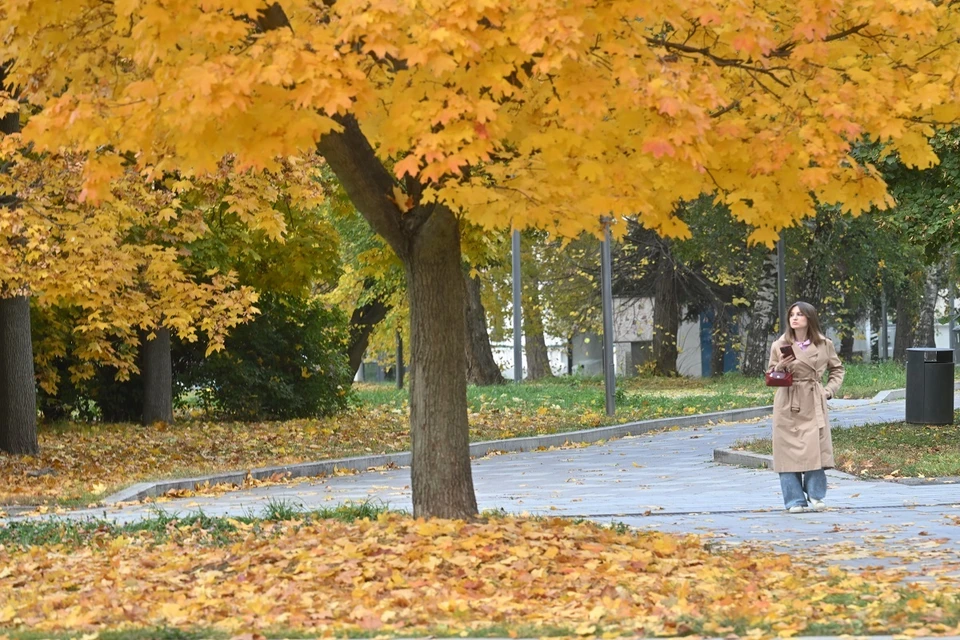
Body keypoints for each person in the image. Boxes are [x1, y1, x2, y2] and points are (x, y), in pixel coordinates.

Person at [767, 301, 844, 513]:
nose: (794, 318)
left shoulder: (824, 344)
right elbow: (772, 375)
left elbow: (837, 370)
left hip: (813, 398)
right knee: (787, 452)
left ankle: (816, 495)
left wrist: (828, 390)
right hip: (788, 401)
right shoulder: (779, 344)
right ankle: (794, 501)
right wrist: (780, 366)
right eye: (792, 314)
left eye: (800, 314)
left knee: (815, 448)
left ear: (809, 318)